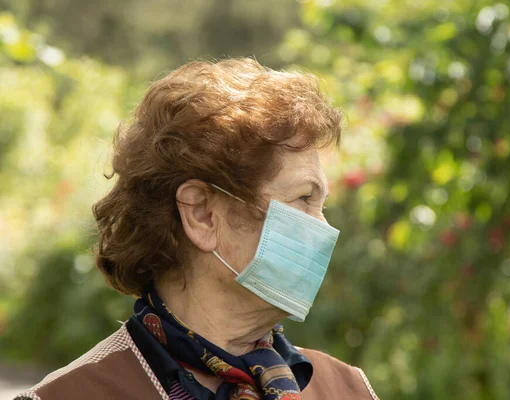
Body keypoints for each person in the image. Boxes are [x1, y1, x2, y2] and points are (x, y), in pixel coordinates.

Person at [16, 58, 378, 400]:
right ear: (202, 214)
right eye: (302, 199)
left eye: (322, 204)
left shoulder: (347, 389)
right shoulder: (73, 395)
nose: (324, 227)